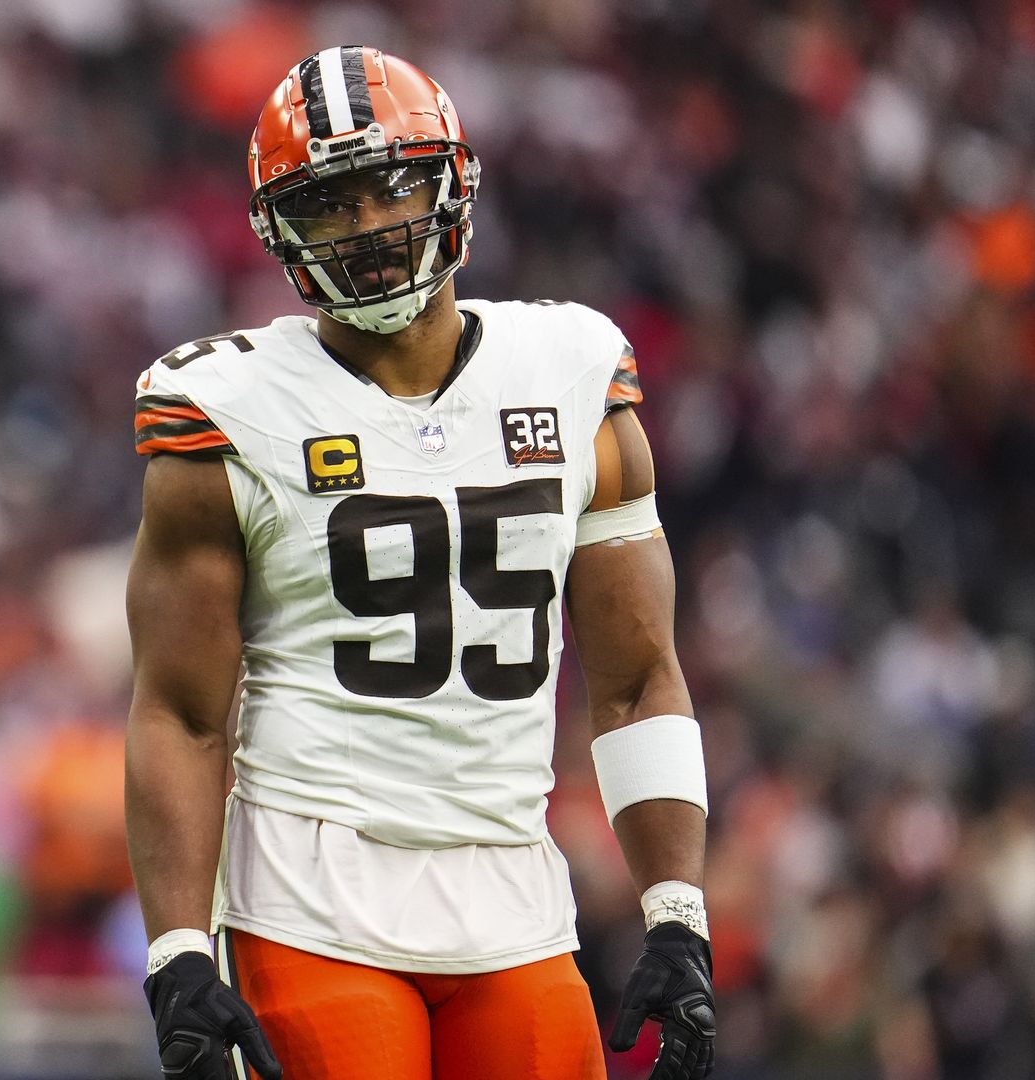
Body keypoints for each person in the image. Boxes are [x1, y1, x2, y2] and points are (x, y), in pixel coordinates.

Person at [124, 46, 716, 1080]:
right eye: (331, 206)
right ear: (280, 234)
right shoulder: (227, 409)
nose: (369, 229)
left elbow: (634, 679)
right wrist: (177, 950)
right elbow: (180, 709)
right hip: (312, 900)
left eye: (392, 186)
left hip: (517, 898)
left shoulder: (573, 374)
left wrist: (676, 912)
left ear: (455, 180)